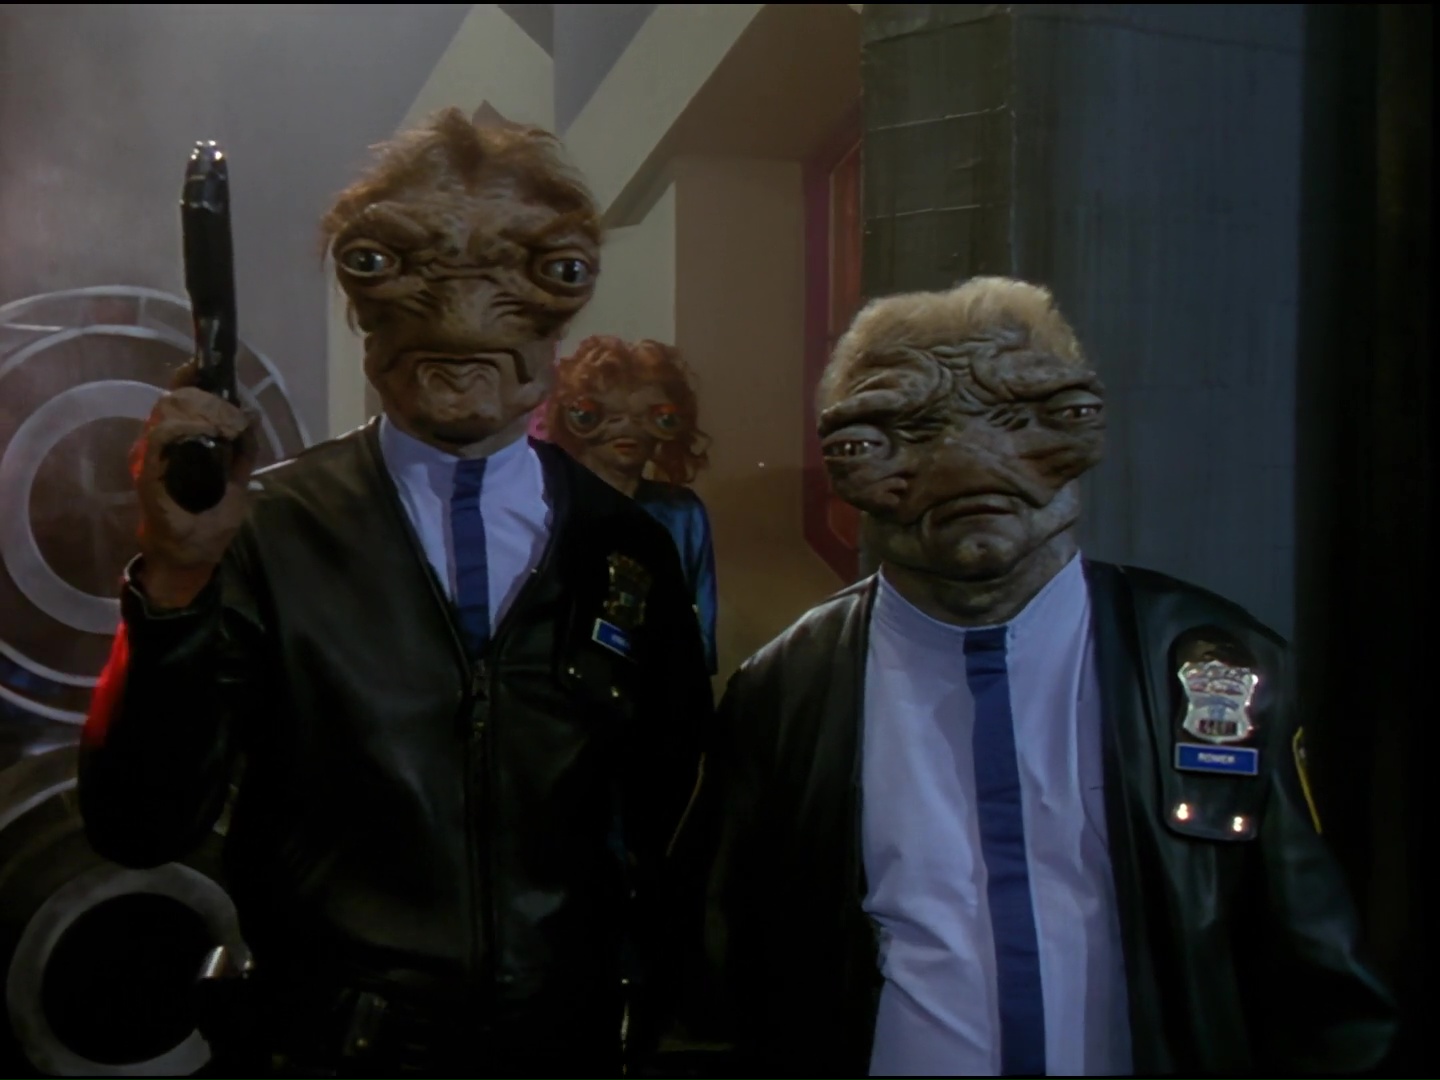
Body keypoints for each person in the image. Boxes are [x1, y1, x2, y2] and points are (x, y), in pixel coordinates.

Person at [78, 108, 712, 1076]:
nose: (462, 319)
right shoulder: (271, 532)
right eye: (388, 265)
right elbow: (140, 821)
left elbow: (666, 802)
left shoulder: (625, 547)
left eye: (538, 269)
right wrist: (176, 579)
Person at [674, 277, 1398, 1075]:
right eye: (909, 431)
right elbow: (716, 972)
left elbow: (1317, 974)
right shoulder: (786, 691)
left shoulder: (1209, 665)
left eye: (1017, 419)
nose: (967, 463)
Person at [543, 335, 718, 674]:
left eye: (656, 416)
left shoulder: (682, 514)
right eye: (593, 415)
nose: (626, 429)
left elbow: (700, 640)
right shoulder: (546, 505)